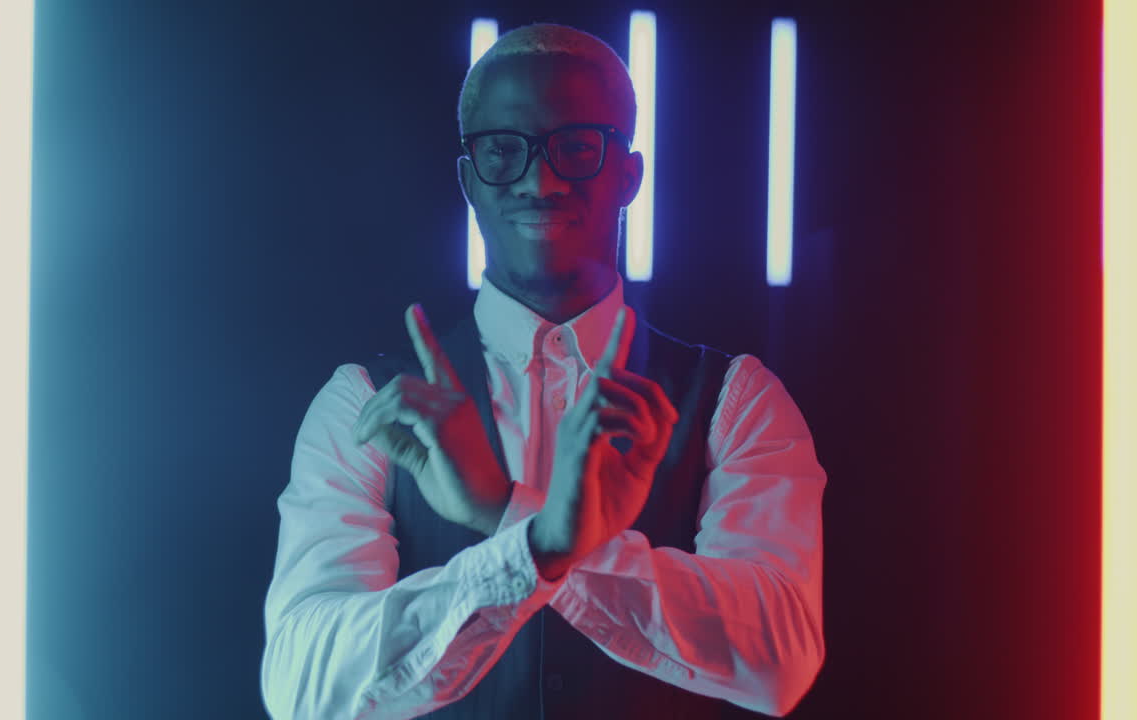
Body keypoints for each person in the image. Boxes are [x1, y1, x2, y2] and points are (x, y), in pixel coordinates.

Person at [261, 22, 826, 720]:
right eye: (503, 150)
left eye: (577, 148)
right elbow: (301, 688)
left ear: (629, 177)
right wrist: (543, 542)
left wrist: (508, 515)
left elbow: (780, 657)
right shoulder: (363, 403)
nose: (540, 179)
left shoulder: (737, 401)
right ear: (469, 179)